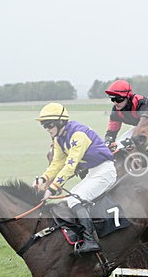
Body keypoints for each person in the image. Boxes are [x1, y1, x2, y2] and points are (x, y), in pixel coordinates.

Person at [33, 103, 116, 254]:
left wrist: (52, 189)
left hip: (105, 171)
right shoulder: (59, 138)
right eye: (44, 126)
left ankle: (90, 240)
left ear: (60, 122)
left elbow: (70, 166)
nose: (47, 129)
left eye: (49, 125)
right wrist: (44, 179)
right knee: (71, 199)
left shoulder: (78, 135)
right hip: (93, 172)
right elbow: (57, 163)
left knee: (75, 199)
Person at [103, 79, 145, 151]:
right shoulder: (116, 110)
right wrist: (108, 142)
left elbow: (147, 128)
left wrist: (131, 141)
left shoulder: (141, 104)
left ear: (128, 97)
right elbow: (111, 132)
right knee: (118, 146)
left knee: (132, 144)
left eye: (119, 99)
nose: (115, 103)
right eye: (113, 99)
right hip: (140, 127)